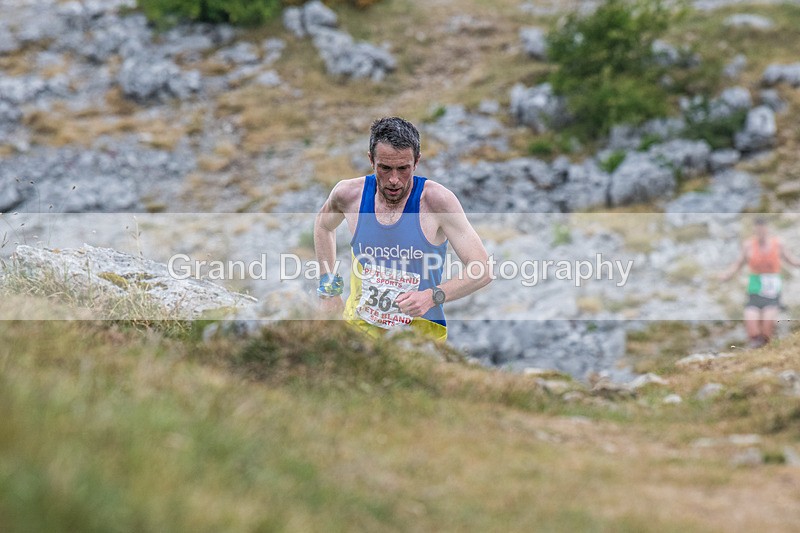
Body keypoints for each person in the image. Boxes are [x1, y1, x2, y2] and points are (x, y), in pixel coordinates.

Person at [313, 116, 492, 341]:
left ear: (416, 162)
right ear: (371, 160)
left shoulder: (437, 202)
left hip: (420, 340)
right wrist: (329, 290)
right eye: (385, 168)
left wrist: (432, 296)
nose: (394, 179)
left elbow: (482, 269)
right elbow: (323, 226)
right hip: (359, 332)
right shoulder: (348, 195)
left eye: (403, 168)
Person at [720, 217, 800, 348]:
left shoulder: (778, 244)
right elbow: (738, 263)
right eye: (758, 230)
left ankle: (767, 349)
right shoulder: (748, 245)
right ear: (755, 230)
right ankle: (755, 348)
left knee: (767, 328)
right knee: (752, 328)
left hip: (772, 292)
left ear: (767, 229)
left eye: (763, 229)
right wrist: (727, 274)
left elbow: (791, 260)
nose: (760, 232)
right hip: (755, 289)